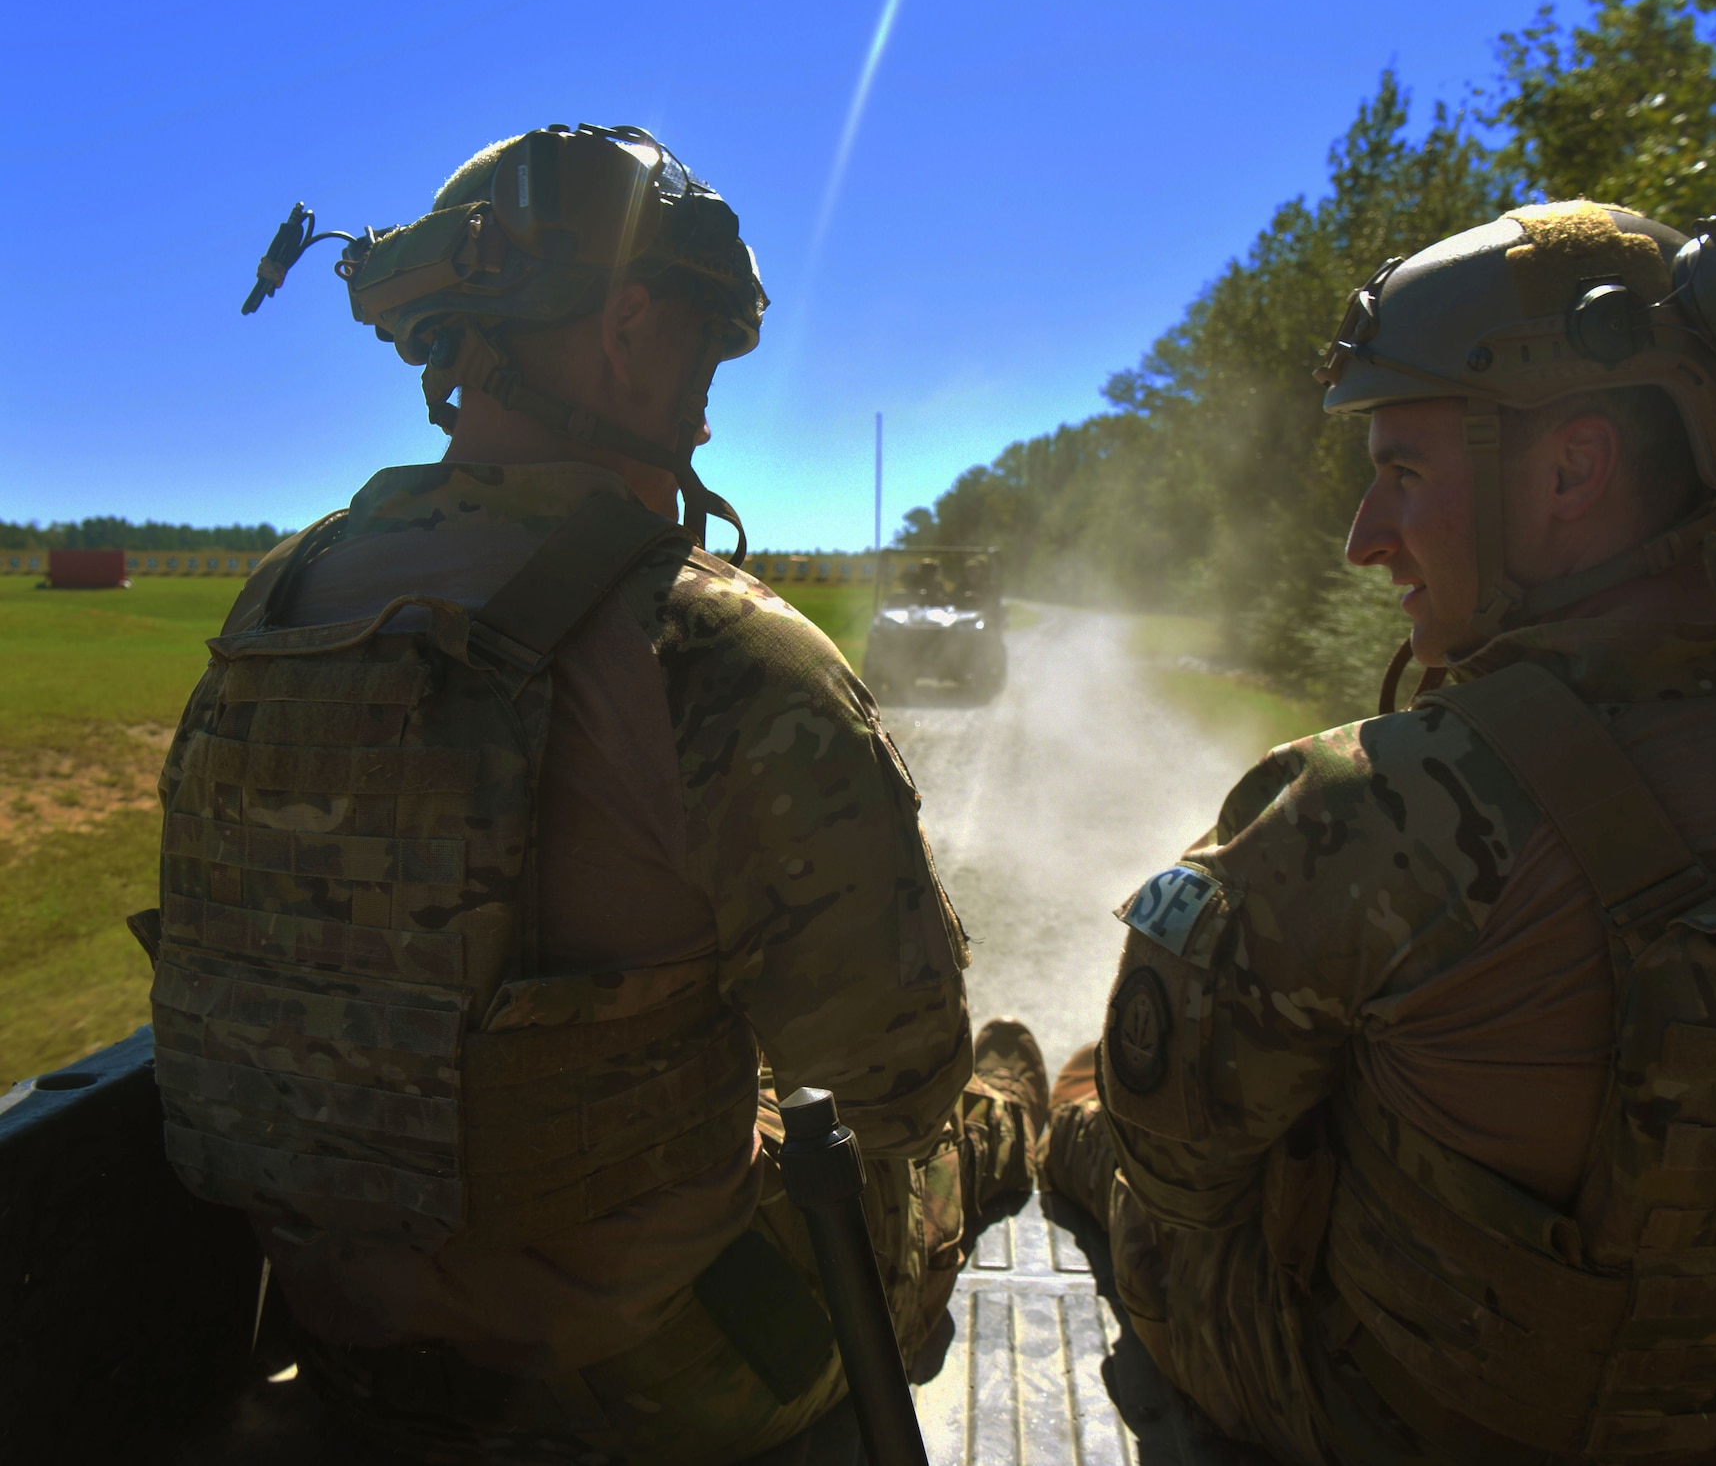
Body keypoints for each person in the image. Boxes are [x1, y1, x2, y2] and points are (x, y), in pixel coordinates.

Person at [1045, 201, 1716, 1465]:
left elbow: (1176, 1167)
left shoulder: (1382, 803)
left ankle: (1016, 1095)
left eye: (1402, 473)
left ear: (1567, 471)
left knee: (1085, 1117)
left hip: (1418, 1423)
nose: (1362, 539)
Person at [147, 124, 1047, 1464]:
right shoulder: (715, 651)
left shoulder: (274, 599)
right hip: (654, 1382)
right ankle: (1033, 1111)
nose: (703, 404)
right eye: (698, 343)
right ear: (628, 326)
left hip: (352, 1346)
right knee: (965, 1112)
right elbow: (891, 1084)